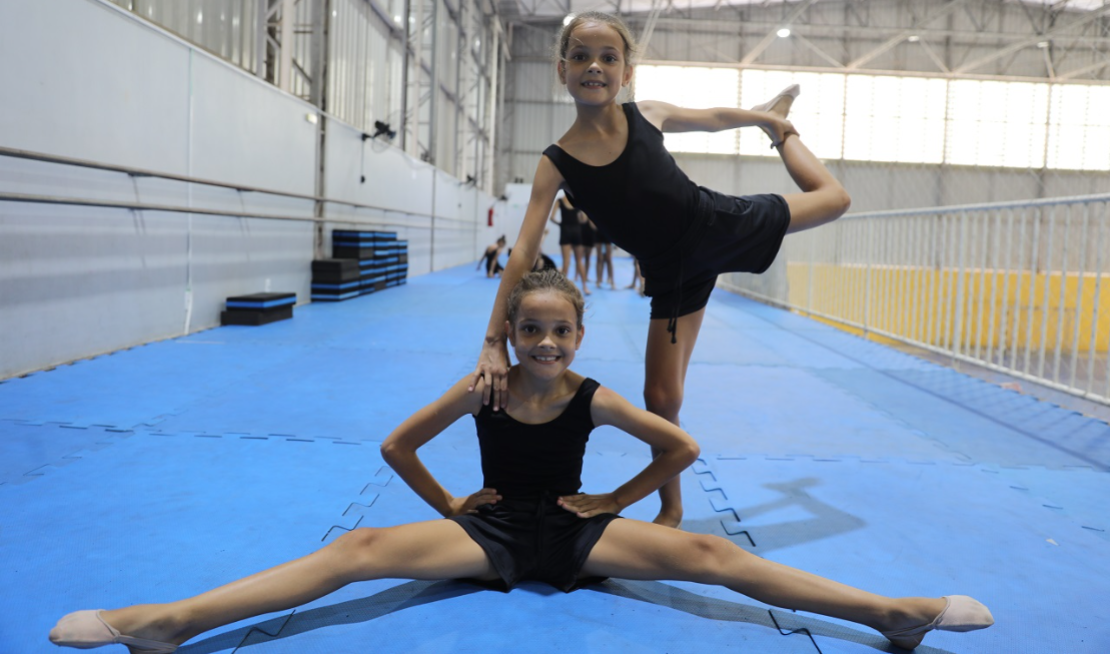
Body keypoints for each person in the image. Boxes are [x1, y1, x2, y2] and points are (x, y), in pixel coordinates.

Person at [48, 270, 993, 653]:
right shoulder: (484, 389)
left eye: (559, 331)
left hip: (578, 531)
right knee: (357, 551)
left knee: (714, 557)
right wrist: (451, 503)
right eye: (530, 329)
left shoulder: (592, 394)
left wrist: (618, 499)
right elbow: (395, 445)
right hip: (492, 528)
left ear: (578, 337)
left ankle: (887, 613)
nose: (545, 343)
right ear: (511, 333)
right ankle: (170, 622)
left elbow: (682, 445)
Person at [469, 11, 852, 528]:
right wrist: (493, 341)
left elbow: (712, 118)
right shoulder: (556, 162)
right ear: (562, 70)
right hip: (672, 274)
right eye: (580, 56)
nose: (594, 66)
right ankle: (671, 508)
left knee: (834, 199)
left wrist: (764, 121)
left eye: (608, 57)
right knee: (661, 398)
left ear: (626, 72)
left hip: (717, 225)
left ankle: (781, 125)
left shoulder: (646, 114)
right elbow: (522, 251)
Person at [548, 194, 590, 295]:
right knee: (579, 260)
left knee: (566, 261)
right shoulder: (576, 200)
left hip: (565, 230)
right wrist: (578, 220)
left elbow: (552, 217)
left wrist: (561, 224)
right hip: (576, 230)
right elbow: (584, 219)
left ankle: (563, 289)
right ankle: (585, 287)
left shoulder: (560, 201)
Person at [594, 220, 616, 290]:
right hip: (599, 232)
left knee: (608, 259)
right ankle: (598, 280)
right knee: (599, 258)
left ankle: (612, 280)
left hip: (607, 232)